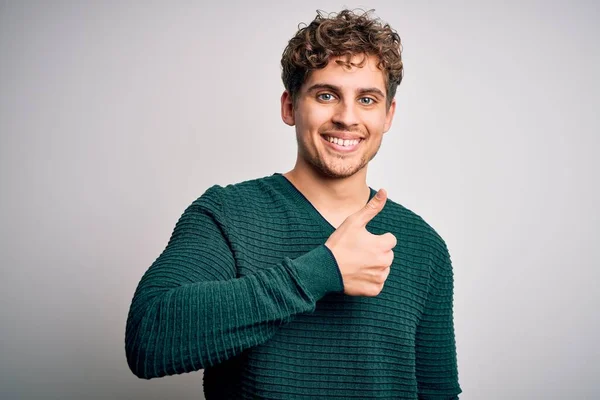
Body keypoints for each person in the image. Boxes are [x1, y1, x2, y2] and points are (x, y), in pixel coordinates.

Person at [125, 9, 461, 399]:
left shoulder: (424, 247)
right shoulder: (227, 216)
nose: (347, 117)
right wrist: (321, 271)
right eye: (326, 95)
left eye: (367, 99)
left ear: (388, 116)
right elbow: (147, 340)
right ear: (290, 107)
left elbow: (438, 392)